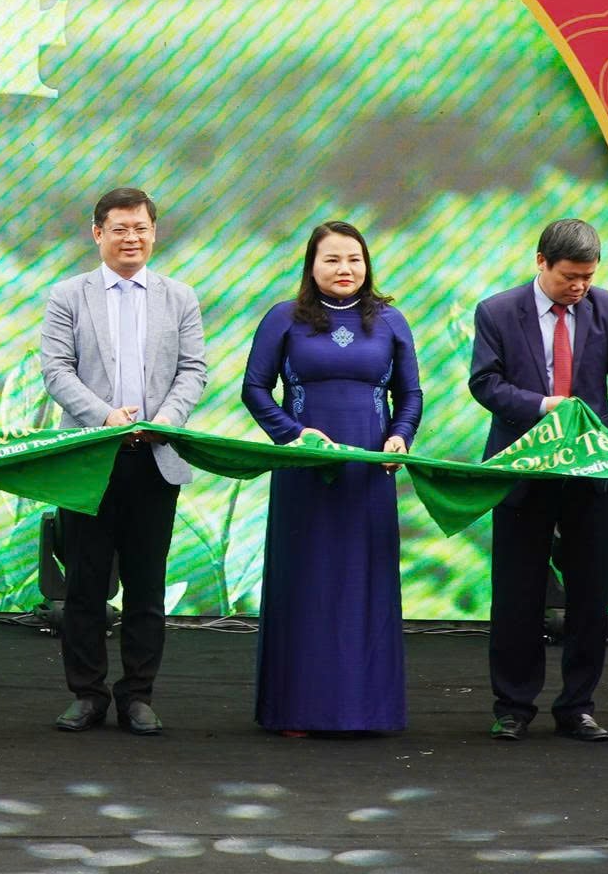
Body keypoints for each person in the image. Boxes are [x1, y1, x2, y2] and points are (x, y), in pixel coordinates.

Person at [467, 218, 608, 742]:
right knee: (517, 595)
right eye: (569, 277)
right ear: (541, 263)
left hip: (590, 473)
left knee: (590, 596)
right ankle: (513, 707)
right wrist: (543, 405)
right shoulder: (497, 311)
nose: (579, 286)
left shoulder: (604, 307)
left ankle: (577, 706)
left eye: (587, 277)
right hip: (523, 470)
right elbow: (485, 384)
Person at [239, 220, 422, 735]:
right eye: (332, 259)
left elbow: (410, 394)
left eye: (354, 259)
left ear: (366, 265)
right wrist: (293, 435)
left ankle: (367, 712)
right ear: (311, 265)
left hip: (369, 475)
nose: (345, 269)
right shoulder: (284, 319)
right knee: (306, 584)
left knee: (364, 585)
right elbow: (255, 388)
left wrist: (400, 437)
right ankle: (295, 710)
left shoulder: (390, 321)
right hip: (304, 474)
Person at [40, 186, 207, 735]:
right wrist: (106, 417)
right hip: (92, 457)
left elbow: (194, 370)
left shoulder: (179, 297)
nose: (131, 238)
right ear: (97, 233)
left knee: (146, 585)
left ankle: (138, 695)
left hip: (155, 458)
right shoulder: (69, 295)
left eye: (141, 228)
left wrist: (165, 419)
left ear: (154, 233)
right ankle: (87, 694)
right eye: (119, 229)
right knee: (84, 586)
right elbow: (56, 370)